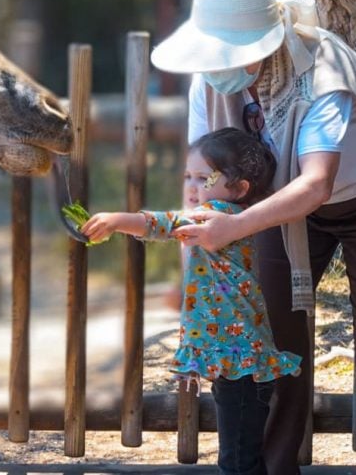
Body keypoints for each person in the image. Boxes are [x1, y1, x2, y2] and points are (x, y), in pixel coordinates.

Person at [148, 0, 356, 475]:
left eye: (227, 53)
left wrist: (234, 227)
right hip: (274, 207)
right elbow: (200, 179)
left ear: (264, 42)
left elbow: (315, 182)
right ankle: (273, 470)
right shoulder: (208, 82)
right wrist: (194, 263)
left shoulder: (321, 73)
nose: (217, 66)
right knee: (267, 330)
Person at [82, 127, 301, 475]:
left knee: (238, 462)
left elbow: (161, 224)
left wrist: (116, 221)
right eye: (187, 176)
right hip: (236, 361)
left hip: (238, 360)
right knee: (243, 457)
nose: (191, 186)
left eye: (203, 177)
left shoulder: (217, 215)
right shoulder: (235, 218)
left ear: (239, 188)